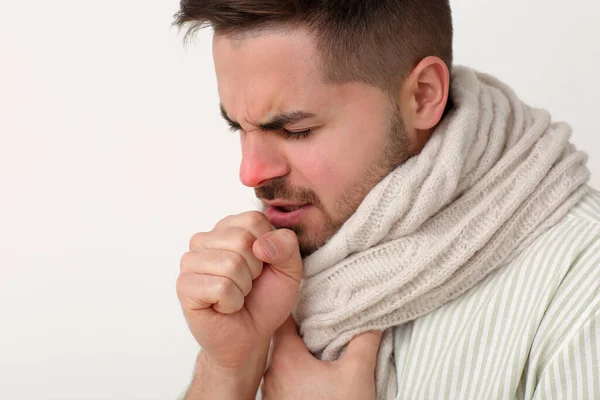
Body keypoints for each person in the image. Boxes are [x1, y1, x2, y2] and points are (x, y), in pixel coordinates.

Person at [173, 1, 600, 399]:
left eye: (296, 131)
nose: (250, 172)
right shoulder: (266, 281)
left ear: (423, 95)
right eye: (238, 128)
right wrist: (226, 371)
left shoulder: (583, 291)